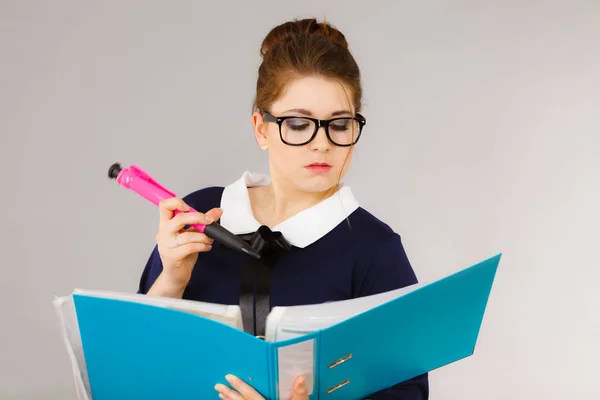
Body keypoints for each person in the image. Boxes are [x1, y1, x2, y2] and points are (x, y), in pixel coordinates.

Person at [137, 17, 429, 400]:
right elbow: (137, 365)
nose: (321, 143)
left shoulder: (374, 249)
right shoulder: (204, 214)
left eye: (339, 125)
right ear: (261, 129)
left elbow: (407, 392)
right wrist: (171, 281)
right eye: (297, 123)